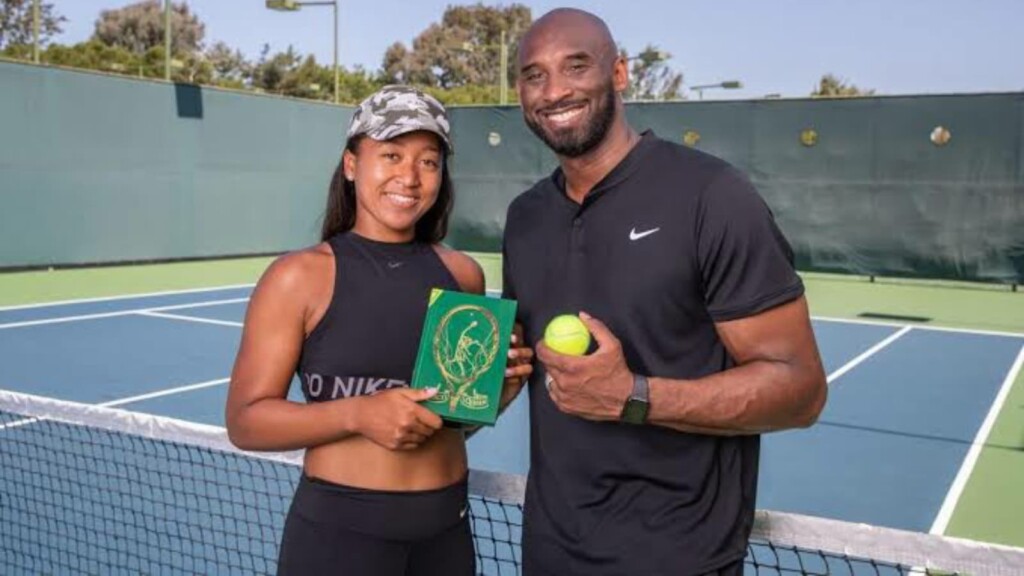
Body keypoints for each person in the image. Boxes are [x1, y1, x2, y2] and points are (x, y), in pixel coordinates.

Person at [501, 9, 828, 576]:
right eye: (534, 75)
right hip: (550, 555)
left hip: (680, 559)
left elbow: (801, 390)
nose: (554, 91)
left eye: (576, 66)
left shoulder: (712, 196)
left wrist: (633, 395)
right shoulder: (525, 218)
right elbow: (527, 370)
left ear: (621, 73)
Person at [225, 85, 533, 576]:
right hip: (339, 542)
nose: (409, 177)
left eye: (428, 161)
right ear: (351, 164)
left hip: (446, 538)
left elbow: (448, 422)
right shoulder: (298, 277)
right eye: (390, 155)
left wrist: (496, 397)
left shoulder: (463, 276)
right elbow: (245, 422)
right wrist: (359, 414)